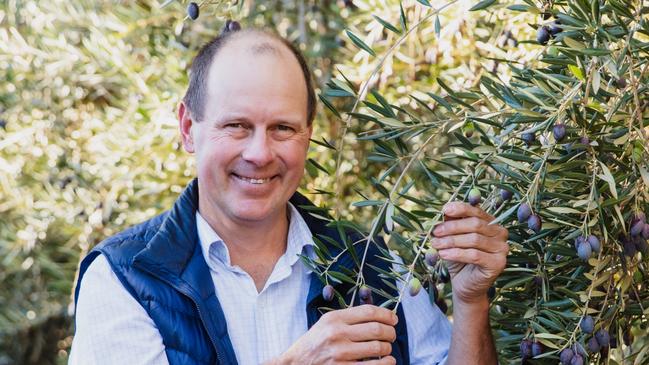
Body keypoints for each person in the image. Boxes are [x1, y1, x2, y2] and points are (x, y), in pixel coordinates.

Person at [69, 26, 509, 365]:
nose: (259, 153)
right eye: (236, 125)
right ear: (188, 128)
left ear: (307, 136)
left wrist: (470, 301)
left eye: (282, 128)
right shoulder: (126, 278)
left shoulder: (370, 266)